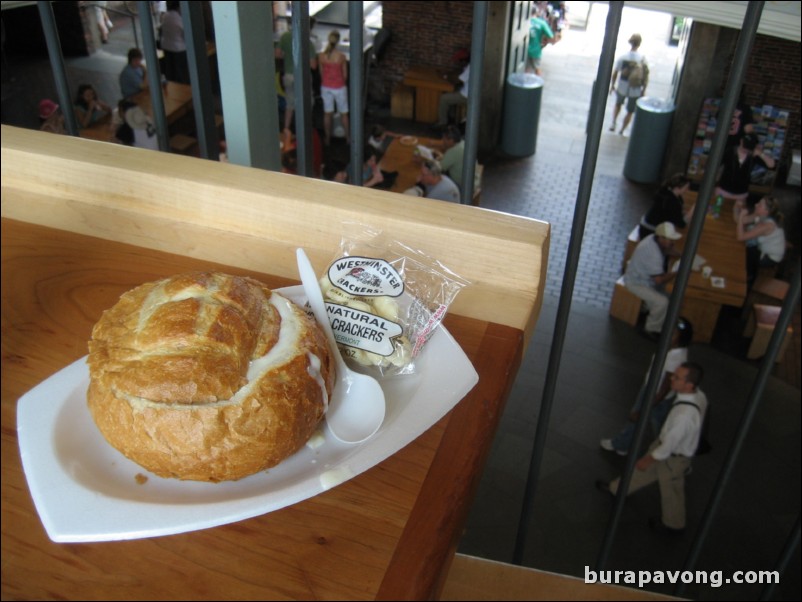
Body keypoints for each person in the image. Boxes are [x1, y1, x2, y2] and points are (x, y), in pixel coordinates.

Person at [597, 362, 708, 534]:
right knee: (644, 473)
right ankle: (617, 489)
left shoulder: (683, 416)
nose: (672, 378)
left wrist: (648, 459)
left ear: (689, 385)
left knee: (670, 489)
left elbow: (669, 445)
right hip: (668, 450)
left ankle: (674, 524)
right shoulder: (699, 396)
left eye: (677, 377)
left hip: (673, 456)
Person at [600, 317, 694, 456]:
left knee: (641, 419)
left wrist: (648, 404)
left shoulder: (675, 358)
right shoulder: (674, 350)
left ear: (681, 338)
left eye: (673, 333)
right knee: (659, 425)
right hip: (657, 394)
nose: (667, 334)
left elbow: (666, 386)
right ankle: (626, 444)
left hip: (654, 395)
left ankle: (622, 444)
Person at [623, 222, 682, 341]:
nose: (672, 243)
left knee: (666, 297)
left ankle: (657, 317)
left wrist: (681, 255)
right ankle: (651, 329)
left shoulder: (653, 239)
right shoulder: (653, 253)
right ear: (661, 238)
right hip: (636, 283)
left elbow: (668, 250)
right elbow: (659, 280)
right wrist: (677, 272)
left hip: (641, 278)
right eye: (670, 240)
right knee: (662, 302)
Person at [735, 195, 786, 289]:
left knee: (740, 254)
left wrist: (742, 215)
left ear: (766, 211)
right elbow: (741, 221)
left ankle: (746, 280)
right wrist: (738, 208)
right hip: (762, 247)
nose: (755, 204)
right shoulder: (761, 215)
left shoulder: (767, 225)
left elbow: (740, 237)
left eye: (759, 205)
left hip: (769, 258)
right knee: (745, 244)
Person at [276, 20, 318, 132]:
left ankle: (286, 129)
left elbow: (277, 54)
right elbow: (313, 65)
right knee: (306, 103)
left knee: (289, 104)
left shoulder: (285, 37)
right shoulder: (308, 43)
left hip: (288, 75)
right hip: (302, 77)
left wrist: (288, 56)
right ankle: (304, 129)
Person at [715, 134, 776, 204]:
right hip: (723, 191)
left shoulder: (754, 156)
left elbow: (771, 165)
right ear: (741, 141)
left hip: (741, 194)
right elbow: (716, 165)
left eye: (748, 147)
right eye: (745, 146)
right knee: (717, 210)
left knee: (736, 213)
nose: (745, 149)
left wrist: (760, 154)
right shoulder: (730, 151)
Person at [609, 33, 648, 135]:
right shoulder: (642, 58)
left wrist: (612, 85)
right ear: (639, 44)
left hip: (622, 85)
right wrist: (644, 90)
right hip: (635, 88)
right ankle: (622, 129)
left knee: (618, 104)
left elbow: (615, 72)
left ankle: (613, 122)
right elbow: (646, 75)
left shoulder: (623, 57)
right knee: (630, 111)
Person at [638, 173, 694, 240]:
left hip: (646, 224)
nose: (687, 190)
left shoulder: (666, 192)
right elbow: (681, 224)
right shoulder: (671, 201)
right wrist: (692, 211)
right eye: (686, 188)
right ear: (677, 188)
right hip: (650, 231)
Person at [318, 30, 349, 146]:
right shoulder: (341, 57)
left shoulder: (321, 56)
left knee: (327, 113)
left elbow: (321, 73)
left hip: (326, 87)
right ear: (338, 41)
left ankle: (327, 139)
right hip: (339, 87)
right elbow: (345, 75)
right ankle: (348, 138)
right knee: (344, 113)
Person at [434, 55, 470, 129]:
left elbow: (457, 80)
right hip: (466, 92)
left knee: (444, 98)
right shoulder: (468, 66)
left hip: (466, 96)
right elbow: (458, 74)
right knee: (452, 92)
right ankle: (451, 117)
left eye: (459, 61)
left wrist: (445, 77)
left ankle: (442, 123)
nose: (457, 63)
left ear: (463, 61)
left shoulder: (470, 67)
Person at [160, 1, 190, 84]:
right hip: (179, 48)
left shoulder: (165, 15)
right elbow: (185, 34)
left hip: (166, 46)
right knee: (180, 72)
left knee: (171, 71)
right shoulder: (178, 19)